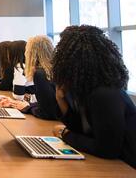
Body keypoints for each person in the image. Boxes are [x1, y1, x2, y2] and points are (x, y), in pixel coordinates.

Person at [51, 25, 136, 168]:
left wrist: (65, 134)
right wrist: (61, 99)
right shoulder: (89, 91)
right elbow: (82, 131)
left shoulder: (104, 94)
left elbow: (107, 150)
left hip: (127, 166)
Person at [0, 35, 60, 120]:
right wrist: (26, 105)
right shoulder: (55, 69)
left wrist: (28, 108)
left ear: (30, 52)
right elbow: (50, 103)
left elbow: (47, 112)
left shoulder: (40, 74)